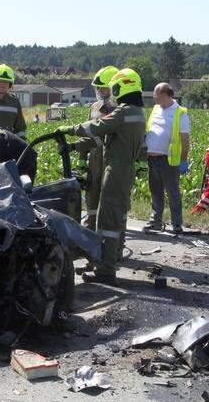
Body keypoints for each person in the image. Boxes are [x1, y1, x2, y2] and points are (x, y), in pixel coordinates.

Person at [56, 68, 146, 284]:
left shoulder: (122, 112)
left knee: (107, 221)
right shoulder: (137, 112)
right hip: (125, 169)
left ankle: (106, 271)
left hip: (114, 170)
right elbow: (104, 138)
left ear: (121, 88)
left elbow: (96, 127)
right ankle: (109, 260)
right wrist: (75, 147)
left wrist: (68, 128)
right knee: (116, 216)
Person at [72, 66, 118, 231]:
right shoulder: (94, 107)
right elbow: (88, 133)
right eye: (98, 87)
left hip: (113, 158)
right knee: (91, 192)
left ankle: (107, 227)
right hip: (95, 157)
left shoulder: (119, 109)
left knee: (109, 194)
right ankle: (90, 225)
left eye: (103, 87)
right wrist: (81, 158)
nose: (99, 90)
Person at [144, 82, 191, 234]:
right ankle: (156, 221)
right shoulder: (156, 109)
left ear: (165, 95)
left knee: (172, 192)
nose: (155, 99)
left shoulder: (180, 113)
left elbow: (185, 139)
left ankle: (177, 224)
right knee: (155, 191)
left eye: (156, 96)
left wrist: (184, 160)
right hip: (152, 158)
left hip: (168, 159)